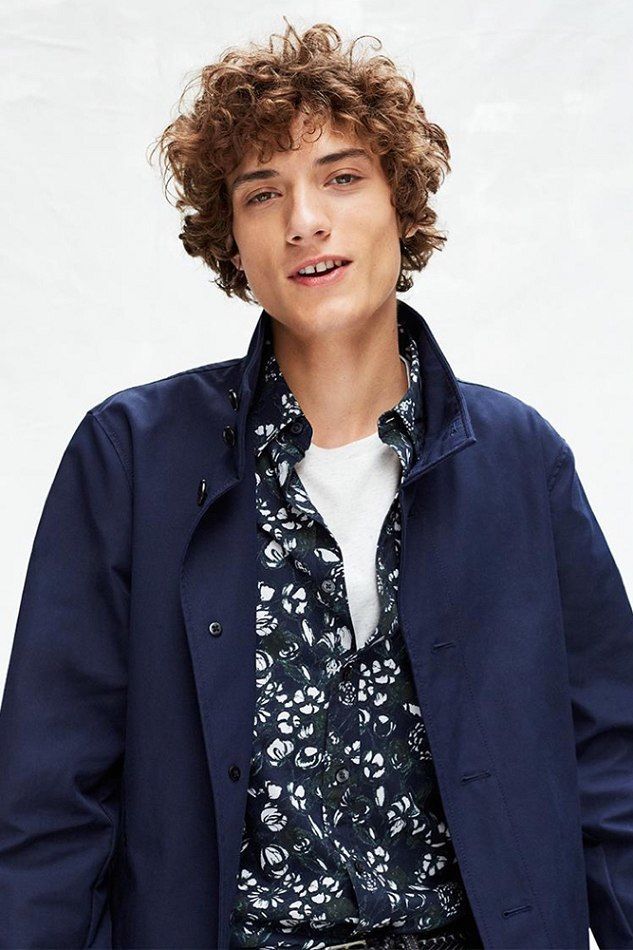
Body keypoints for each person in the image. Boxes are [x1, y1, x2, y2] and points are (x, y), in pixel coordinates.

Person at [0, 19, 631, 950]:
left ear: (400, 205)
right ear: (232, 241)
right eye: (263, 193)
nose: (304, 219)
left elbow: (611, 767)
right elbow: (49, 803)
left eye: (341, 177)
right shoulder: (130, 458)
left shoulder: (516, 460)